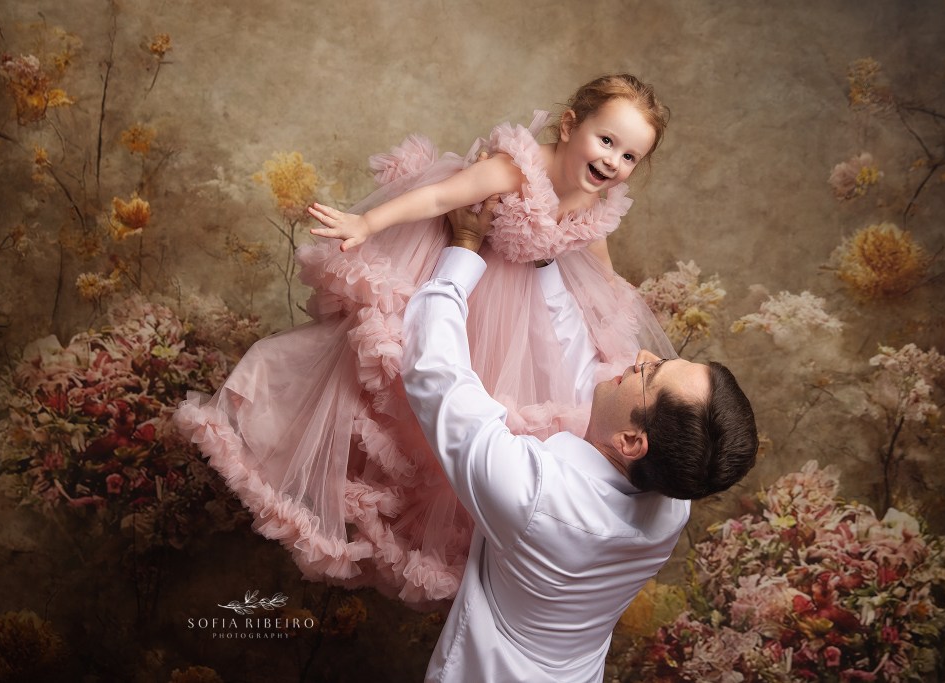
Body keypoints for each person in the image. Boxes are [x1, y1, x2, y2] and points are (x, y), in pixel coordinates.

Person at [175, 74, 680, 604]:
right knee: (375, 379)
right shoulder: (516, 168)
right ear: (571, 125)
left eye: (629, 157)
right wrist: (367, 223)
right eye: (607, 141)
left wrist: (616, 310)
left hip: (514, 310)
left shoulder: (594, 201)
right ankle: (278, 430)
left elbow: (597, 265)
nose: (613, 163)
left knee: (477, 419)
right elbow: (440, 195)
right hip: (454, 271)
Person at [404, 205, 758, 682]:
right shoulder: (674, 501)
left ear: (632, 441)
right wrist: (546, 262)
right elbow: (577, 379)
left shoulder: (535, 496)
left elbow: (437, 379)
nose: (643, 355)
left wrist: (464, 248)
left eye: (650, 374)